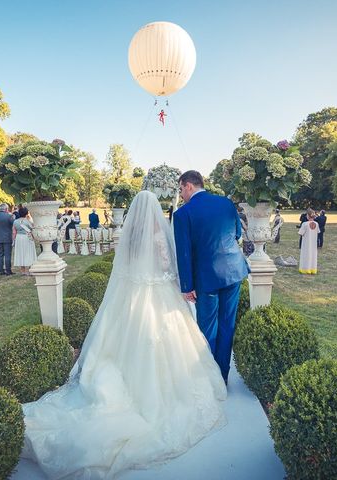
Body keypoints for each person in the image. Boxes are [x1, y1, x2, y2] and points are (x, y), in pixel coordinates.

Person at [22, 191, 226, 478]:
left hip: (131, 297)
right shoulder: (158, 235)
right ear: (154, 211)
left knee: (120, 342)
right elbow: (167, 266)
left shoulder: (130, 236)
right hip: (158, 295)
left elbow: (125, 268)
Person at [173, 170, 250, 384]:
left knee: (207, 328)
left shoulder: (182, 214)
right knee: (227, 324)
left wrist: (187, 286)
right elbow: (236, 233)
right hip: (234, 272)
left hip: (206, 279)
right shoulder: (226, 203)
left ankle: (210, 380)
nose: (181, 194)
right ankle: (222, 377)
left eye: (181, 189)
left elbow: (184, 253)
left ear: (188, 185)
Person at [0, 203, 15, 275]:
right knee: (7, 254)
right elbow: (14, 225)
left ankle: (1, 270)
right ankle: (8, 270)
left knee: (0, 254)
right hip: (7, 237)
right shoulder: (10, 216)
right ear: (6, 209)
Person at [13, 206, 37, 275]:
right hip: (27, 237)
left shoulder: (15, 221)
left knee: (21, 252)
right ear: (26, 213)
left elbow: (14, 232)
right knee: (28, 252)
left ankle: (23, 271)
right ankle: (29, 269)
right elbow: (32, 229)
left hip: (19, 238)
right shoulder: (28, 221)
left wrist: (14, 240)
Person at [298, 209, 319, 274]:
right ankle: (313, 269)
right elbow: (317, 231)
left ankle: (305, 269)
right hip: (313, 242)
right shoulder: (316, 224)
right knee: (313, 255)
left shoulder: (305, 224)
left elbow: (300, 233)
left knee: (306, 255)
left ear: (308, 216)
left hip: (306, 243)